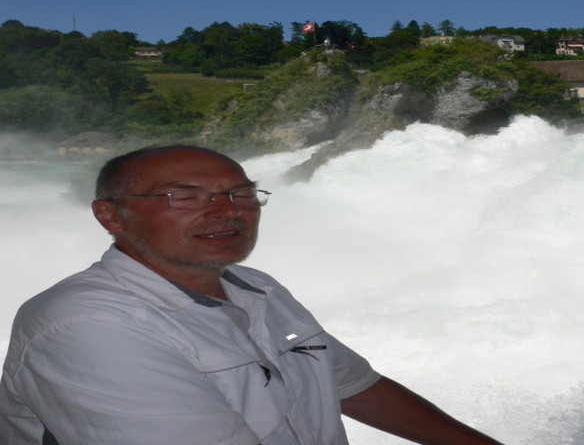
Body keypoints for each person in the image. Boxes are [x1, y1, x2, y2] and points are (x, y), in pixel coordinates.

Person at [0, 145, 504, 445]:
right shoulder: (88, 328)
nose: (227, 210)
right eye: (184, 196)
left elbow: (354, 386)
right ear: (110, 215)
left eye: (241, 194)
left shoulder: (254, 287)